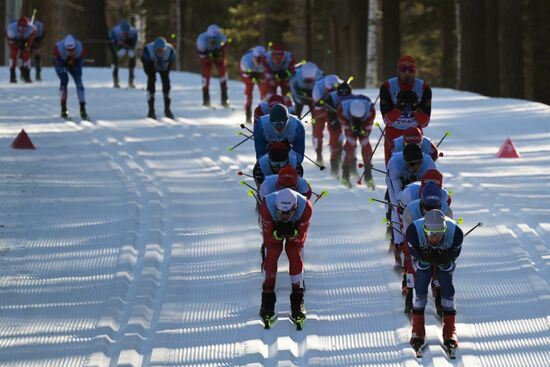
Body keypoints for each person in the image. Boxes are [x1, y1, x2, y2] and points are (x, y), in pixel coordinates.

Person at [406, 209, 463, 352]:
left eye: (439, 234)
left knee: (446, 283)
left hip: (444, 259)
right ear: (424, 229)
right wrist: (424, 260)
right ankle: (417, 331)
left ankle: (450, 331)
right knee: (421, 284)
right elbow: (416, 264)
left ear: (445, 229)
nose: (435, 238)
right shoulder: (413, 231)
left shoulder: (456, 233)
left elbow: (451, 265)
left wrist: (444, 262)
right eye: (431, 234)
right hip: (423, 260)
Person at [259, 188, 313, 326]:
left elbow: (300, 239)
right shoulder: (266, 205)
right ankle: (267, 298)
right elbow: (269, 238)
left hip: (296, 224)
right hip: (271, 221)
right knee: (273, 252)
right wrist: (276, 235)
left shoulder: (306, 208)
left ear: (294, 208)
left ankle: (298, 298)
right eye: (281, 213)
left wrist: (294, 234)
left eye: (288, 213)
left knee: (293, 251)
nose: (284, 216)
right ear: (276, 207)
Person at [401, 182, 453, 315]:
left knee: (442, 259)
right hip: (417, 239)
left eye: (435, 207)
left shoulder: (446, 210)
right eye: (428, 207)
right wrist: (420, 251)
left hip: (438, 238)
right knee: (410, 258)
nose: (431, 210)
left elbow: (448, 234)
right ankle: (410, 290)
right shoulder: (410, 210)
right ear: (421, 203)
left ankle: (439, 289)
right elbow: (409, 236)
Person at [386, 144, 436, 267]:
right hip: (400, 188)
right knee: (398, 212)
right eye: (412, 164)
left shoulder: (428, 163)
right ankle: (397, 244)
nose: (417, 167)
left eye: (419, 163)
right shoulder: (395, 165)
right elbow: (397, 198)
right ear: (405, 162)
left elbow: (436, 191)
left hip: (422, 188)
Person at [380, 55, 432, 166]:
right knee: (393, 168)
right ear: (398, 70)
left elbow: (425, 122)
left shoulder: (424, 88)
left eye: (411, 69)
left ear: (415, 70)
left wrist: (415, 109)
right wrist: (399, 108)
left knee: (417, 167)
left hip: (414, 132)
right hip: (393, 132)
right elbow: (387, 120)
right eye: (404, 69)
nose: (407, 73)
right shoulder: (387, 86)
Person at [337, 95, 376, 189]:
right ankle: (345, 175)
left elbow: (368, 128)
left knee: (365, 143)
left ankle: (368, 175)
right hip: (348, 121)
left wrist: (364, 131)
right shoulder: (342, 109)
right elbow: (345, 126)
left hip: (364, 122)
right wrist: (351, 130)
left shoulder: (371, 111)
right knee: (350, 144)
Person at [320, 82, 353, 176]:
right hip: (334, 118)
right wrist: (333, 120)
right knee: (334, 142)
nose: (343, 98)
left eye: (346, 97)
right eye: (341, 96)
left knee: (351, 143)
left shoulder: (354, 99)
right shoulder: (330, 98)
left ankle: (351, 168)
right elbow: (327, 112)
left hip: (348, 120)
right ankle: (334, 169)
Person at [53, 34, 88, 119]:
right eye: (68, 50)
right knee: (64, 81)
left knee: (79, 83)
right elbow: (56, 63)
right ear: (65, 48)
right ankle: (63, 107)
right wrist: (64, 65)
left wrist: (74, 63)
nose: (71, 51)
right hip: (61, 64)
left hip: (75, 64)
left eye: (72, 50)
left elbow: (81, 62)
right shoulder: (58, 49)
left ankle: (82, 107)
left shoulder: (80, 49)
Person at [311, 74, 342, 164]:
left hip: (333, 111)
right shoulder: (317, 89)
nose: (332, 91)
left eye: (334, 89)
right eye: (329, 90)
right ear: (325, 86)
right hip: (320, 110)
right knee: (318, 129)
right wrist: (325, 105)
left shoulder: (341, 84)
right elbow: (317, 108)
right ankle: (319, 154)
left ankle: (336, 152)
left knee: (334, 130)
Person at [141, 37, 176, 119]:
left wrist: (165, 68)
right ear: (154, 49)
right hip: (150, 63)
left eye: (162, 50)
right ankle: (151, 110)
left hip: (163, 64)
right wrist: (151, 69)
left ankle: (167, 109)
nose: (160, 52)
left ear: (165, 49)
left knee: (166, 82)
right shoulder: (148, 51)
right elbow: (146, 66)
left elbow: (169, 66)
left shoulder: (170, 51)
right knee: (151, 81)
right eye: (158, 51)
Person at [196, 24, 229, 107]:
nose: (214, 38)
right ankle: (206, 99)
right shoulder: (201, 40)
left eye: (216, 37)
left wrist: (220, 54)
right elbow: (201, 55)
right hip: (206, 58)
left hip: (218, 57)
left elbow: (225, 49)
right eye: (212, 37)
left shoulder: (222, 38)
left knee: (223, 73)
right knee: (205, 75)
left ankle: (224, 99)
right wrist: (208, 55)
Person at [5, 16, 36, 83]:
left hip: (25, 40)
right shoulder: (11, 29)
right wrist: (16, 44)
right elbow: (9, 40)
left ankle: (27, 75)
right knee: (13, 55)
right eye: (20, 26)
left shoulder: (31, 28)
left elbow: (32, 37)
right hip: (14, 40)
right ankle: (12, 75)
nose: (21, 28)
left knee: (26, 54)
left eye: (23, 26)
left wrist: (27, 45)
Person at [109, 20, 138, 88]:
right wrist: (117, 50)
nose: (125, 33)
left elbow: (134, 43)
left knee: (132, 56)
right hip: (116, 45)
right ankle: (115, 80)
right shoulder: (114, 32)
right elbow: (111, 44)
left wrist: (131, 49)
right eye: (124, 32)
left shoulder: (134, 32)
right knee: (115, 58)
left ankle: (131, 80)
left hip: (128, 44)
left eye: (126, 32)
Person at [240, 45, 266, 122]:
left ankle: (265, 113)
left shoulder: (267, 60)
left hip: (261, 74)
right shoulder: (246, 60)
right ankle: (248, 116)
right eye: (257, 59)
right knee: (249, 93)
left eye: (260, 60)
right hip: (249, 74)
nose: (258, 61)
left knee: (264, 93)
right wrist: (252, 76)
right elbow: (245, 74)